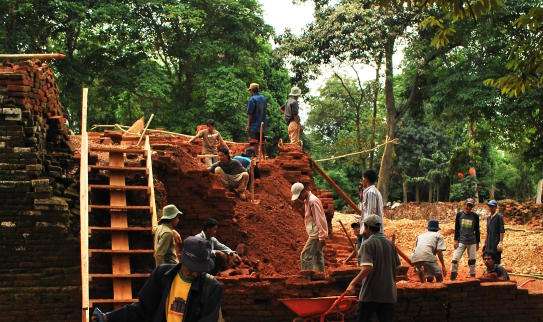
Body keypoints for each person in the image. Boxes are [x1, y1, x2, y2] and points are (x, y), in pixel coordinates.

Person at [92, 236, 222, 322]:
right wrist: (108, 317)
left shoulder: (211, 287)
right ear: (181, 258)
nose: (195, 273)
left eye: (199, 269)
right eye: (191, 268)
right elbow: (142, 310)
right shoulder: (162, 275)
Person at [345, 215, 401, 322]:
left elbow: (367, 268)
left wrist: (352, 283)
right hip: (389, 294)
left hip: (370, 294)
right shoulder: (390, 244)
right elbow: (397, 267)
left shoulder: (367, 244)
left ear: (367, 227)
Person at [291, 182, 328, 272]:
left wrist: (321, 236)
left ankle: (307, 277)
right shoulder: (307, 200)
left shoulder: (313, 201)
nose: (299, 198)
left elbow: (319, 219)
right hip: (315, 232)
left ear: (303, 191)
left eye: (299, 195)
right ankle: (321, 275)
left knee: (305, 255)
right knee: (317, 255)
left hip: (316, 234)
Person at [450, 198, 480, 280]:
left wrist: (478, 242)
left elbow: (477, 230)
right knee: (455, 259)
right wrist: (455, 240)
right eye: (468, 205)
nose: (469, 207)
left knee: (472, 260)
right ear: (465, 205)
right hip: (461, 240)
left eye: (470, 206)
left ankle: (472, 277)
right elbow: (457, 228)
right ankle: (453, 276)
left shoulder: (475, 216)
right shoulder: (459, 215)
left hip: (472, 241)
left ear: (472, 207)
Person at [359, 169, 384, 238]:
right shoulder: (373, 191)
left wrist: (366, 230)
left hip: (371, 233)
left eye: (363, 179)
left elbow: (371, 214)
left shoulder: (371, 193)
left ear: (366, 179)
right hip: (371, 232)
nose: (362, 181)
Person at [483, 200, 505, 264]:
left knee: (496, 257)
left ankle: (497, 272)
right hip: (489, 241)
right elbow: (488, 231)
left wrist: (500, 242)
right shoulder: (488, 218)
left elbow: (502, 230)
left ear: (495, 207)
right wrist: (485, 242)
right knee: (489, 257)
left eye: (492, 207)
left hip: (496, 241)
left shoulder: (499, 217)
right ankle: (490, 272)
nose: (491, 208)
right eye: (490, 206)